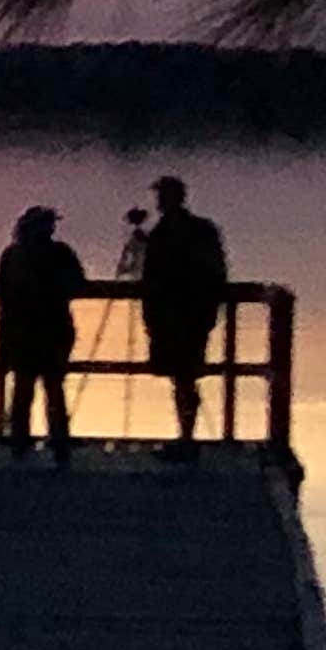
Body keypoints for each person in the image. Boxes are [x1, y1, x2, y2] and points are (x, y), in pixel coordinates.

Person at [138, 173, 232, 449]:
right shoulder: (202, 229)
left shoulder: (165, 233)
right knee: (185, 376)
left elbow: (153, 276)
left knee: (182, 377)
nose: (157, 202)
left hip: (175, 316)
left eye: (160, 196)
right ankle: (186, 434)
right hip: (194, 315)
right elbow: (217, 272)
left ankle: (186, 435)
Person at [0, 203, 87, 457]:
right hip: (50, 329)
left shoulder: (13, 255)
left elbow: (2, 294)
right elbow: (79, 285)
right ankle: (57, 440)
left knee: (27, 388)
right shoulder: (60, 253)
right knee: (51, 387)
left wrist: (3, 337)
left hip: (26, 330)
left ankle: (21, 441)